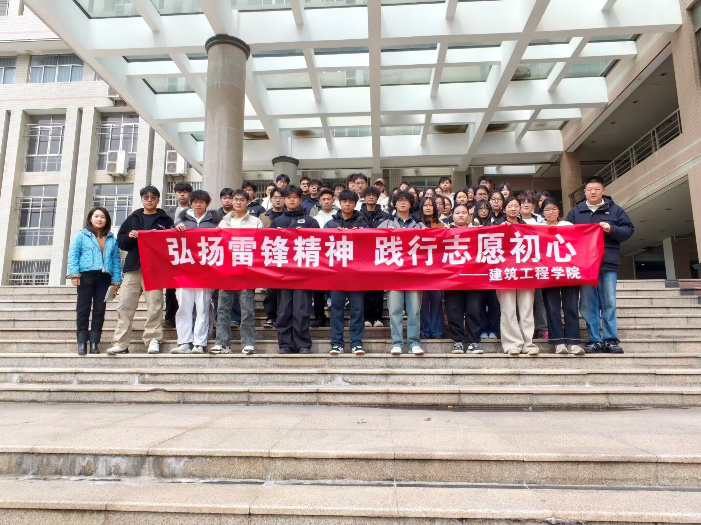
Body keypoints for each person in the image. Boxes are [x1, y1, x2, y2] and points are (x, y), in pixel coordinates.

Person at [566, 176, 634, 354]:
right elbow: (565, 236)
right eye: (589, 189)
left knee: (609, 302)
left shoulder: (615, 210)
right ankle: (595, 339)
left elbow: (628, 230)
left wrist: (611, 229)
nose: (593, 192)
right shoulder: (576, 212)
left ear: (603, 191)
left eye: (597, 189)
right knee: (588, 303)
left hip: (608, 263)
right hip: (585, 266)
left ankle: (611, 339)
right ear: (585, 192)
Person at [106, 186, 174, 355]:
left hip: (154, 269)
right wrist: (129, 236)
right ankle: (121, 343)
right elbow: (121, 242)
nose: (149, 200)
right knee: (124, 305)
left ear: (158, 199)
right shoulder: (132, 218)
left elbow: (172, 243)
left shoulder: (166, 220)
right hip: (133, 268)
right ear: (142, 199)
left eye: (153, 197)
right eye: (146, 197)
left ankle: (153, 339)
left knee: (155, 305)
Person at [209, 189, 263, 355]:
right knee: (223, 309)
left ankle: (248, 343)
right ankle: (222, 343)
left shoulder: (255, 222)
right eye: (236, 199)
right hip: (226, 273)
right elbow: (216, 244)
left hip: (246, 272)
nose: (238, 202)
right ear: (231, 201)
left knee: (247, 310)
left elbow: (261, 245)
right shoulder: (223, 222)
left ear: (248, 201)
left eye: (242, 200)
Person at [271, 186, 320, 354]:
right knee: (284, 310)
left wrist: (305, 235)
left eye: (295, 197)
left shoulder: (311, 222)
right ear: (284, 200)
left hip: (303, 274)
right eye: (288, 197)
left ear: (300, 200)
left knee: (301, 310)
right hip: (283, 274)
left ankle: (303, 344)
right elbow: (268, 246)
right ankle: (285, 344)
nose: (291, 200)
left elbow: (319, 245)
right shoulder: (277, 222)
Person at [170, 190, 219, 354]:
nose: (198, 205)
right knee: (183, 307)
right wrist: (176, 229)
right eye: (195, 201)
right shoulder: (181, 220)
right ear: (190, 203)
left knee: (202, 308)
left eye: (202, 202)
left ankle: (199, 342)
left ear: (207, 203)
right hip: (184, 271)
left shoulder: (215, 222)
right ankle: (184, 342)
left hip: (206, 272)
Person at [67, 207, 122, 355]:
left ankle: (94, 343)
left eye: (103, 217)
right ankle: (82, 342)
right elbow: (73, 254)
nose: (99, 219)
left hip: (104, 279)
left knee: (99, 311)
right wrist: (74, 275)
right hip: (86, 277)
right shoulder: (81, 235)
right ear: (90, 219)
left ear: (107, 220)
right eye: (96, 216)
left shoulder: (111, 239)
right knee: (83, 309)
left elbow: (116, 261)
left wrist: (117, 281)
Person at [378, 191, 426, 356]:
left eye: (406, 200)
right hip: (393, 275)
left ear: (411, 204)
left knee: (414, 311)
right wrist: (385, 234)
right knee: (394, 310)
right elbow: (372, 242)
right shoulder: (385, 224)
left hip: (414, 275)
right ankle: (397, 343)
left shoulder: (419, 226)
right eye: (399, 200)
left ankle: (414, 343)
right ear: (394, 204)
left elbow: (430, 245)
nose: (403, 203)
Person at [325, 190, 368, 355]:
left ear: (355, 204)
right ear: (340, 203)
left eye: (351, 201)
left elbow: (370, 245)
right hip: (337, 274)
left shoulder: (363, 223)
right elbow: (322, 244)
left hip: (357, 274)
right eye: (344, 201)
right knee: (336, 309)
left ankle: (356, 343)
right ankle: (337, 343)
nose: (347, 204)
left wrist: (360, 234)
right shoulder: (330, 224)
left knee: (357, 309)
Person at [540, 198, 584, 355]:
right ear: (542, 213)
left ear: (559, 211)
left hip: (568, 272)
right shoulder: (537, 228)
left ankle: (574, 342)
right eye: (547, 210)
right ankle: (558, 342)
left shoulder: (568, 226)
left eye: (554, 209)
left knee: (571, 307)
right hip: (548, 274)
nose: (550, 212)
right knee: (552, 308)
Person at [495, 198, 539, 356]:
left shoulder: (529, 228)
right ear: (504, 209)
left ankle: (528, 342)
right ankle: (511, 344)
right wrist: (499, 230)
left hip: (526, 272)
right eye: (510, 206)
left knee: (527, 308)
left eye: (516, 206)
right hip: (505, 273)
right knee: (508, 309)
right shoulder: (496, 226)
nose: (513, 209)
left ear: (520, 209)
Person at [445, 204, 483, 355]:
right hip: (452, 279)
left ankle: (473, 342)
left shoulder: (477, 231)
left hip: (473, 278)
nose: (460, 215)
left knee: (474, 310)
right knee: (454, 311)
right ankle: (458, 341)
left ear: (469, 215)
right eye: (457, 213)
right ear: (452, 215)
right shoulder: (445, 231)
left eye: (463, 212)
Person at [164, 181, 192, 327]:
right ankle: (170, 317)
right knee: (171, 286)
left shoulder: (194, 211)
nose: (182, 194)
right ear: (175, 194)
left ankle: (188, 316)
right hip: (172, 252)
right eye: (179, 192)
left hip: (189, 252)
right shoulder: (168, 212)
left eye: (185, 192)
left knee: (188, 286)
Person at [419, 196, 446, 340]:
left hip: (436, 267)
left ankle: (437, 330)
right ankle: (424, 329)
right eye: (425, 205)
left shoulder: (441, 225)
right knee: (423, 301)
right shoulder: (416, 224)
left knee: (436, 299)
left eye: (430, 205)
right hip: (420, 267)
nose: (428, 207)